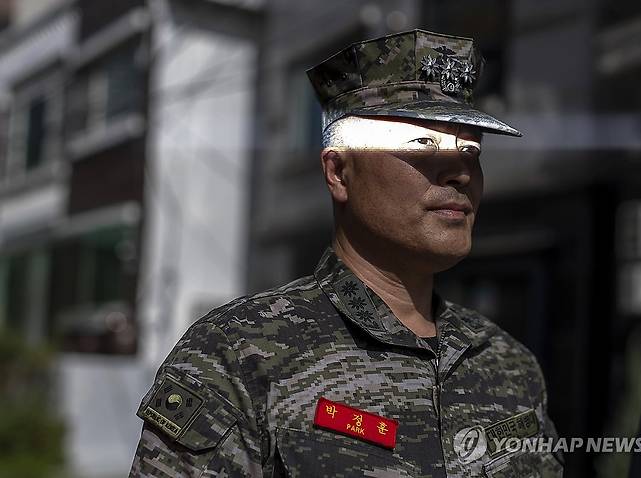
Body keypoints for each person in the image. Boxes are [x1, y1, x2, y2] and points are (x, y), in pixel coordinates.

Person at [129, 29, 564, 477]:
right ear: (339, 172)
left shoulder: (507, 364)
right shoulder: (241, 353)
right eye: (421, 144)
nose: (459, 171)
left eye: (471, 149)